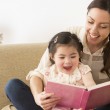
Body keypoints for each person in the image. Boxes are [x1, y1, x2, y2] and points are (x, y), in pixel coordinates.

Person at [5, 0, 110, 109]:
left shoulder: (83, 70)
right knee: (13, 86)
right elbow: (37, 74)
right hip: (51, 106)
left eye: (103, 26)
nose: (93, 30)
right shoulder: (70, 36)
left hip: (91, 106)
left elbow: (92, 90)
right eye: (90, 22)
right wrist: (38, 98)